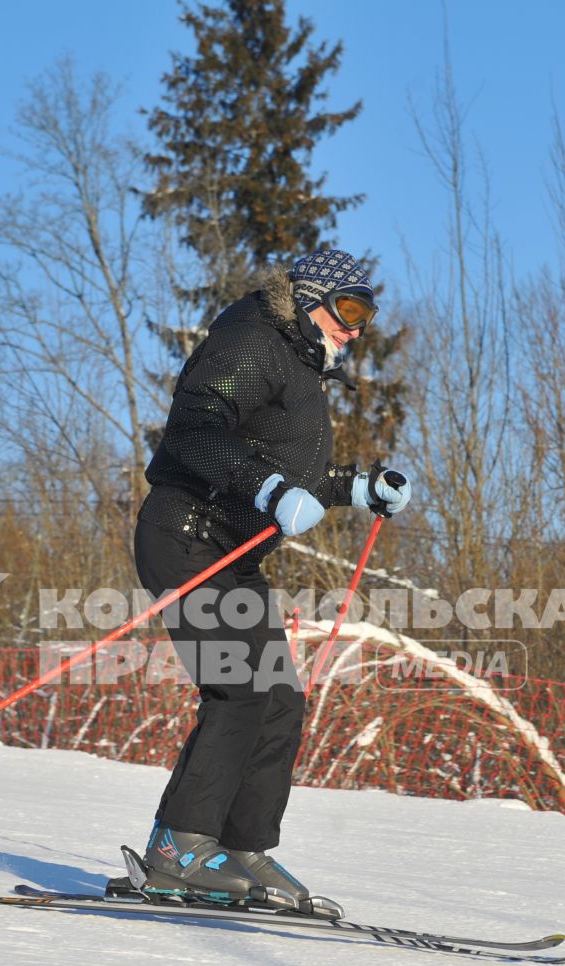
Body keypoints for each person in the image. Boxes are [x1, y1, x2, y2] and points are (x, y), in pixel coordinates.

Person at [130, 247, 412, 917]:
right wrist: (265, 484)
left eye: (366, 315)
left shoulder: (301, 369)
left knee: (280, 697)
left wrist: (359, 487)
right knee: (240, 684)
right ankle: (177, 848)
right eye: (349, 310)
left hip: (231, 553)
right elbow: (192, 432)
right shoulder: (252, 341)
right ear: (311, 300)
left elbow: (296, 475)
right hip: (185, 535)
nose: (356, 328)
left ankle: (239, 846)